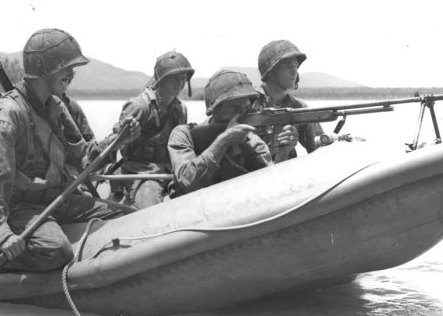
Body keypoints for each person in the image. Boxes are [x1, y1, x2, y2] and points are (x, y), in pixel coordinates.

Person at [0, 28, 139, 272]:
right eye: (66, 68)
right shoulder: (8, 114)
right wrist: (1, 234)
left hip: (57, 199)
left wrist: (118, 140)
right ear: (44, 69)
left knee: (126, 215)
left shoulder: (55, 106)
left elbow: (83, 156)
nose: (71, 75)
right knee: (56, 251)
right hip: (19, 209)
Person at [168, 70, 297, 195]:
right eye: (234, 107)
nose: (240, 114)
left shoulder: (252, 142)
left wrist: (283, 153)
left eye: (245, 108)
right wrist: (223, 141)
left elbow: (270, 187)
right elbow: (188, 182)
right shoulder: (184, 135)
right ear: (214, 109)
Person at [111, 50, 191, 208]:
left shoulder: (181, 109)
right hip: (140, 173)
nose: (180, 83)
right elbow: (114, 142)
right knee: (149, 208)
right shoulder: (139, 106)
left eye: (183, 78)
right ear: (161, 80)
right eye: (174, 78)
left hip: (168, 172)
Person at [255, 40, 342, 159]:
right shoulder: (247, 104)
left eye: (295, 66)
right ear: (271, 70)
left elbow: (317, 149)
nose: (294, 72)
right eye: (288, 66)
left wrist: (337, 140)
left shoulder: (298, 107)